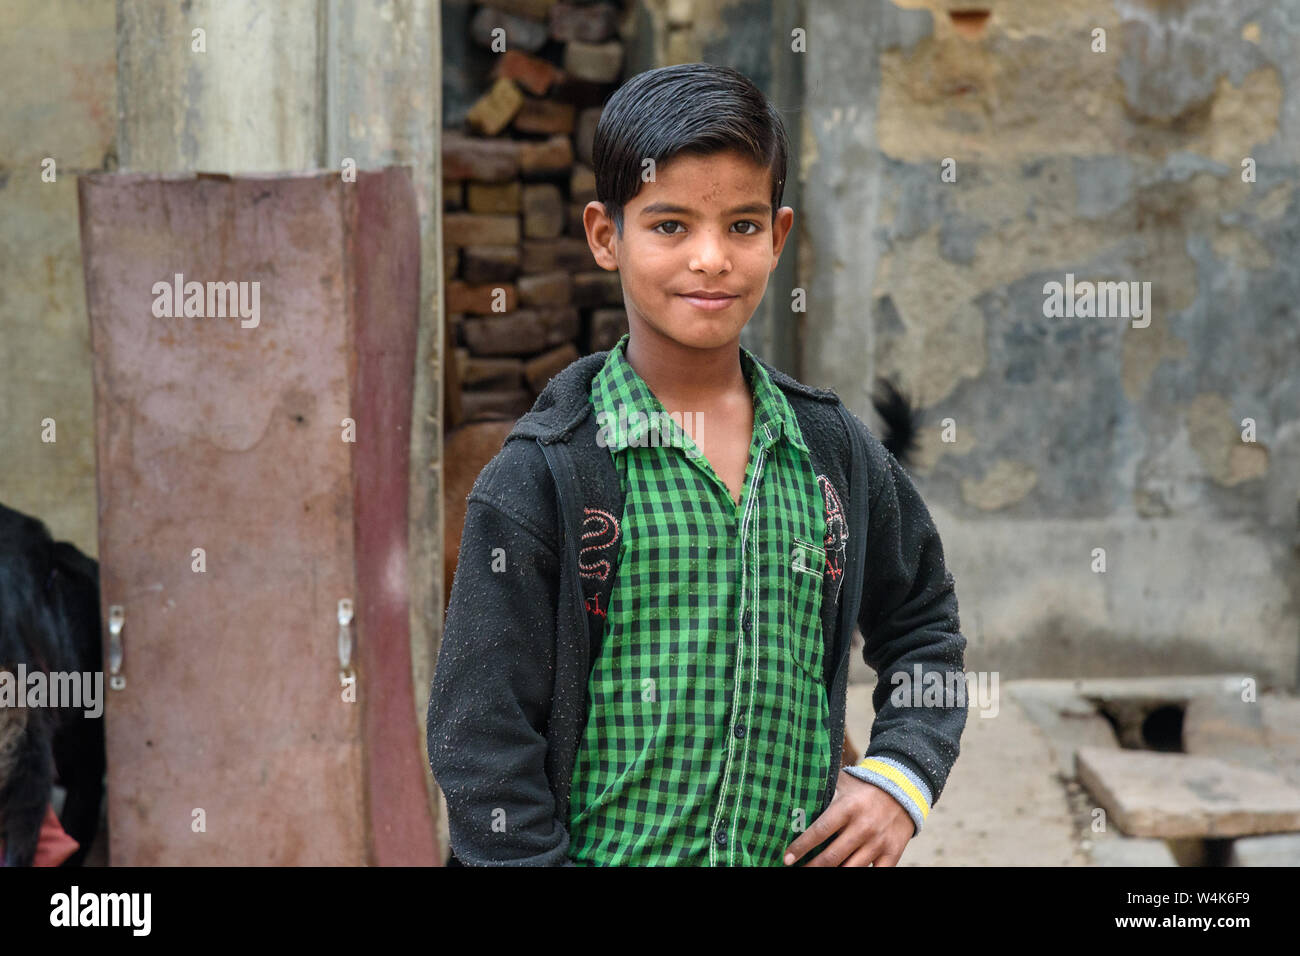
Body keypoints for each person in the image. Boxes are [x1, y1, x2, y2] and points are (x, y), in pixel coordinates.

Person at [427, 62, 967, 866]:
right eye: (671, 225)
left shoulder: (832, 455)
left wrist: (898, 778)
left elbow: (923, 627)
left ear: (778, 236)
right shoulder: (544, 479)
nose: (711, 259)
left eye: (742, 227)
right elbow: (481, 737)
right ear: (607, 237)